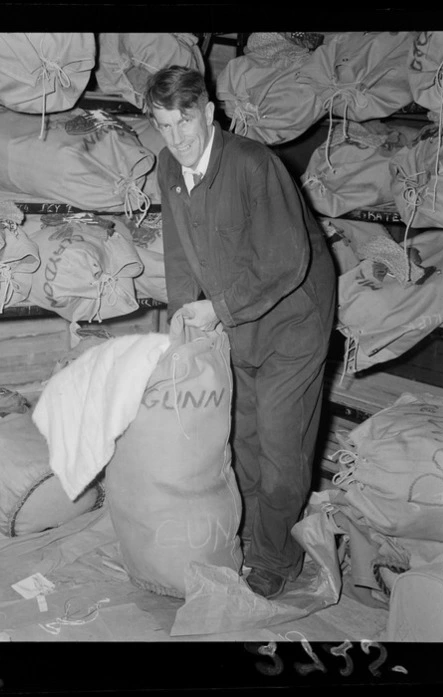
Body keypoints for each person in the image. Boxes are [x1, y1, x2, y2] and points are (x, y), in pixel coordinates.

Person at [144, 66, 337, 599]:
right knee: (243, 438)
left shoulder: (255, 165)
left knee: (281, 447)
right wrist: (185, 315)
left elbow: (286, 259)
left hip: (292, 323)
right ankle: (254, 543)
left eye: (186, 123)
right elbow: (179, 248)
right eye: (164, 126)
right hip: (236, 323)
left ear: (209, 114)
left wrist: (217, 309)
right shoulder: (169, 166)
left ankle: (278, 558)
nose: (178, 139)